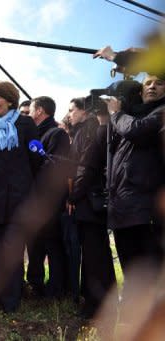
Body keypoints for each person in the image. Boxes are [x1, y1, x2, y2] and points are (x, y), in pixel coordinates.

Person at [0, 81, 40, 312]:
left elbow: (36, 159)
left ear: (10, 100)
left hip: (18, 200)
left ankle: (11, 301)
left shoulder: (26, 123)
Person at [104, 74, 165, 283]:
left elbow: (135, 130)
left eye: (159, 83)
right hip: (123, 206)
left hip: (146, 207)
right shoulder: (130, 116)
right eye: (148, 83)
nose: (152, 87)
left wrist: (116, 112)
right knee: (130, 269)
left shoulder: (159, 113)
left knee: (149, 270)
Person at [67, 97, 115, 318]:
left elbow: (86, 167)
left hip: (90, 200)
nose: (69, 115)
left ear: (84, 111)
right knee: (93, 252)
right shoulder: (86, 130)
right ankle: (94, 302)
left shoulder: (90, 130)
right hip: (89, 199)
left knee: (96, 254)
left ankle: (99, 305)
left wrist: (73, 196)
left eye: (72, 110)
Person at [26, 96, 70, 298]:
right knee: (34, 244)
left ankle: (55, 289)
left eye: (31, 110)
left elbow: (57, 166)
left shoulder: (57, 133)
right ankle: (35, 284)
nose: (27, 114)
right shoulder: (32, 133)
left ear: (40, 111)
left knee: (52, 245)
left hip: (49, 201)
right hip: (33, 200)